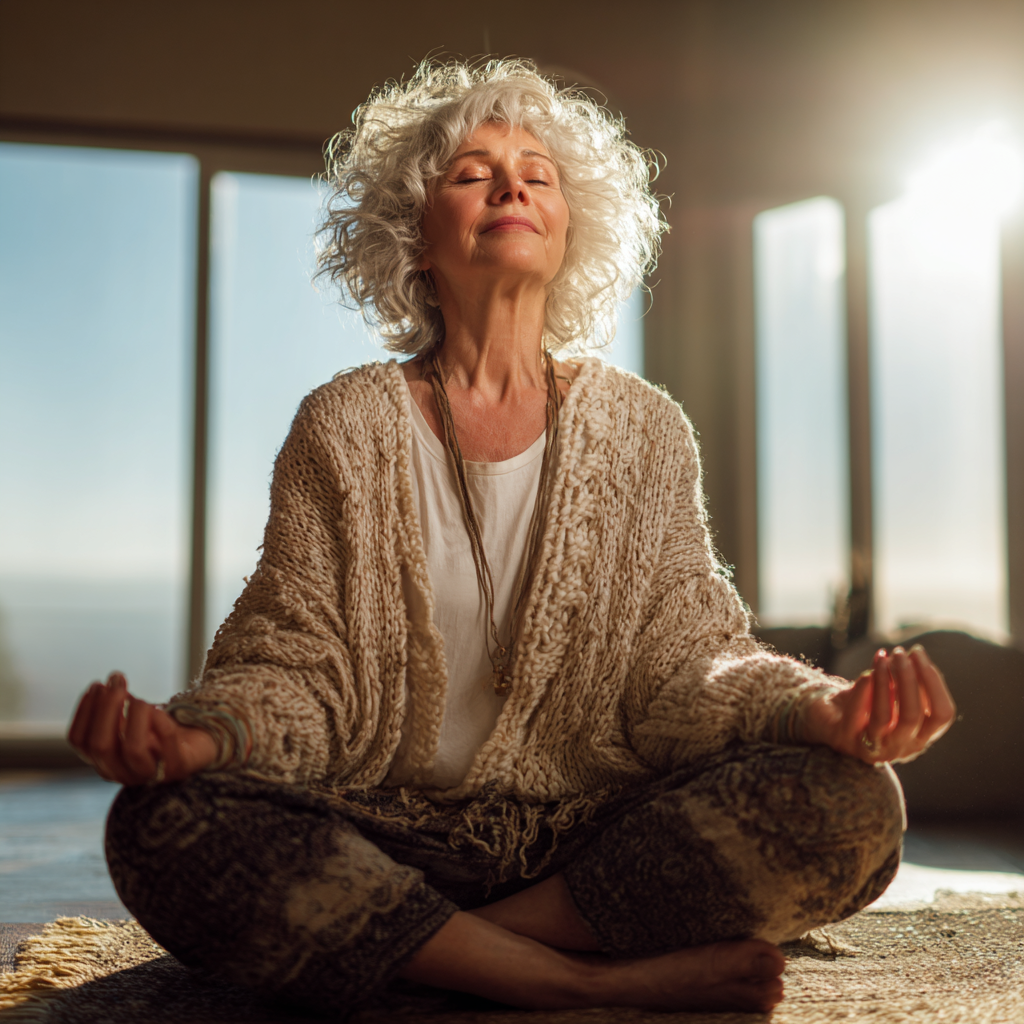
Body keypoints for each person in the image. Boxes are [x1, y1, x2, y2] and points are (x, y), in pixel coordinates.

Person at [68, 58, 955, 1016]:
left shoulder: (645, 431)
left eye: (539, 171)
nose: (513, 183)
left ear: (573, 227)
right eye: (471, 171)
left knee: (855, 807)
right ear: (414, 229)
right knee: (159, 825)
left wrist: (815, 711)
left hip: (589, 845)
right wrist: (203, 740)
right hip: (384, 833)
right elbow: (297, 665)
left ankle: (434, 950)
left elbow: (687, 667)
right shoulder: (346, 424)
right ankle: (576, 981)